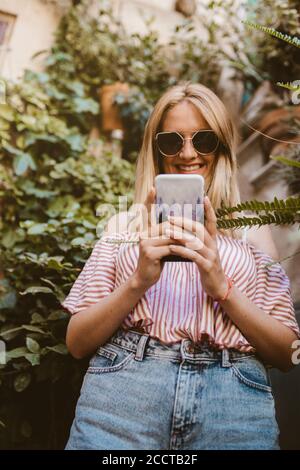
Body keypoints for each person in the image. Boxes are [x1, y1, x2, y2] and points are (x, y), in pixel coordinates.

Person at [61, 82, 300, 450]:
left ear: (220, 146)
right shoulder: (125, 225)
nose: (188, 153)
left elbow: (287, 352)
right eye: (173, 141)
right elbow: (76, 342)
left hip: (232, 402)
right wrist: (137, 282)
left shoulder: (251, 229)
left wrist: (223, 289)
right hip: (125, 396)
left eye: (202, 140)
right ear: (156, 150)